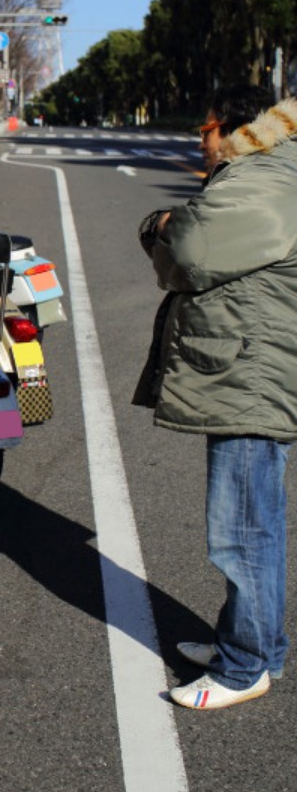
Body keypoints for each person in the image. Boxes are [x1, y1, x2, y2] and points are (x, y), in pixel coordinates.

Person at [134, 83, 297, 710]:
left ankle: (242, 668)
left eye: (203, 130)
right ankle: (258, 642)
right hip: (251, 365)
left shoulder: (261, 177)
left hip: (251, 371)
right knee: (258, 520)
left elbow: (190, 251)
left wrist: (159, 227)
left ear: (234, 127)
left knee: (242, 527)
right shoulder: (268, 171)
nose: (198, 143)